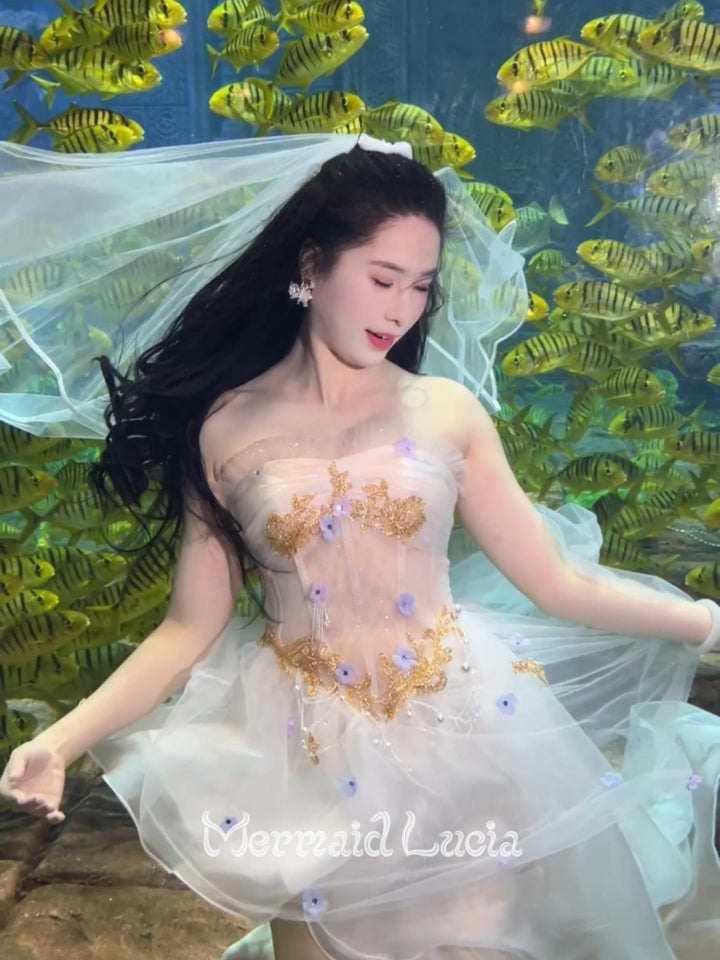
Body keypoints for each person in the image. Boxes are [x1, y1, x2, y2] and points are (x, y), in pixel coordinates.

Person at [0, 134, 719, 960]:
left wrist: (706, 622)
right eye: (382, 279)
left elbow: (556, 581)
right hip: (299, 755)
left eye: (420, 286)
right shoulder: (225, 426)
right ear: (311, 266)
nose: (400, 310)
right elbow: (186, 629)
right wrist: (59, 742)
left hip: (466, 732)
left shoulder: (446, 410)